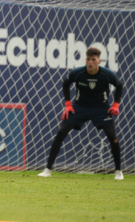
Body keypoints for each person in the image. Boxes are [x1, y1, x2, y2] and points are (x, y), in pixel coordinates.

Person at [38, 47, 124, 180]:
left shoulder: (107, 74)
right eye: (88, 59)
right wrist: (67, 105)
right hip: (79, 107)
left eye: (93, 59)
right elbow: (66, 83)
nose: (90, 62)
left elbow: (120, 85)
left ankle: (119, 172)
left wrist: (116, 104)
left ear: (99, 61)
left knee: (112, 136)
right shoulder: (77, 73)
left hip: (101, 108)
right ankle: (47, 170)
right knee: (61, 132)